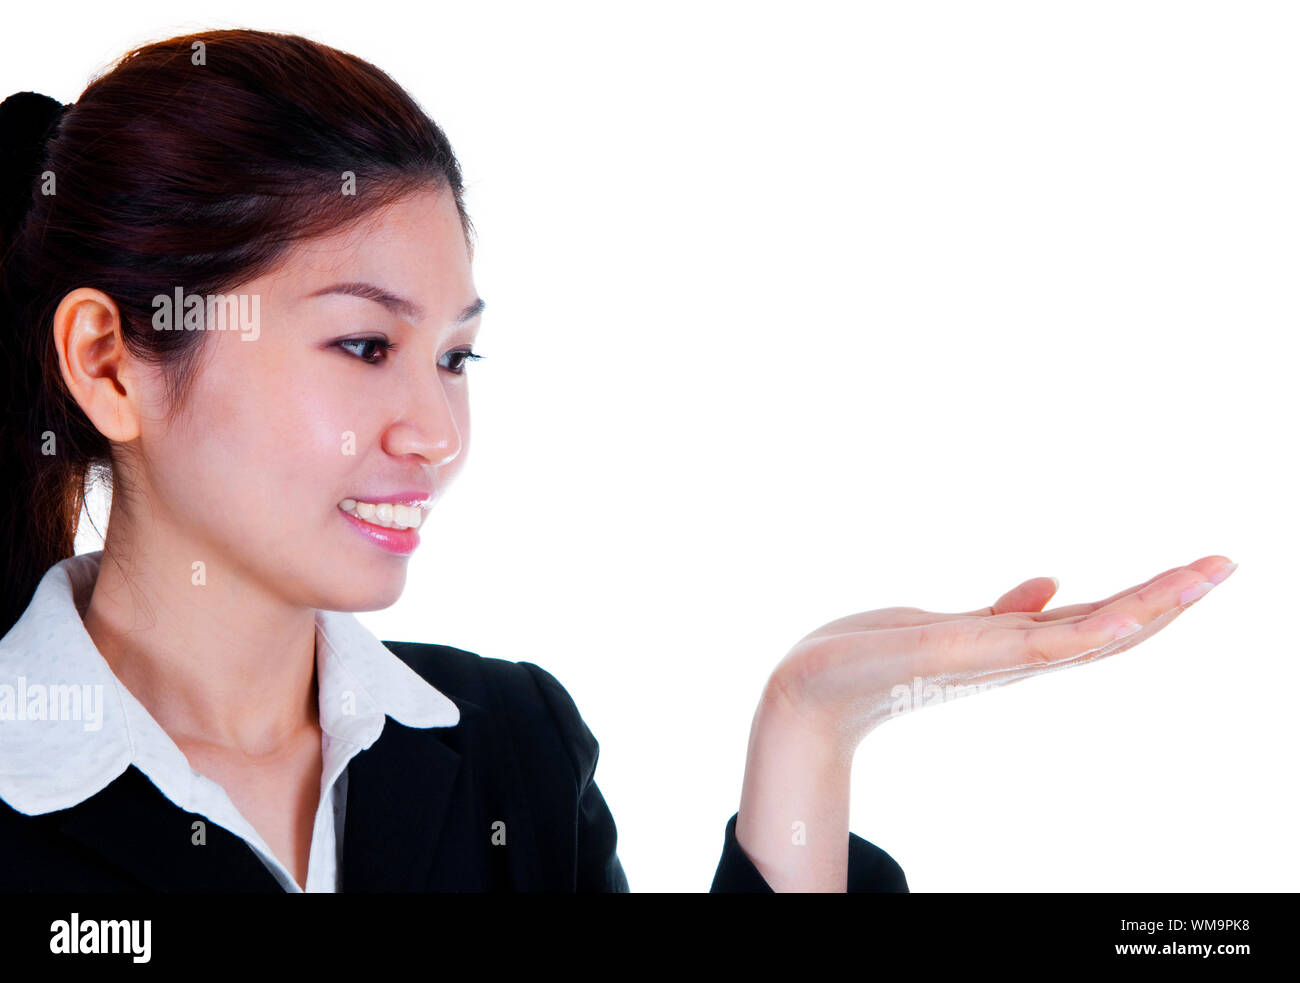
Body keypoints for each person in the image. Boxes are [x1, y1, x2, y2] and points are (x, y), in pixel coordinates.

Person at [0, 28, 1235, 893]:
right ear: (111, 364)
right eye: (365, 342)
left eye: (456, 358)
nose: (434, 431)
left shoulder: (508, 745)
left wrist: (806, 727)